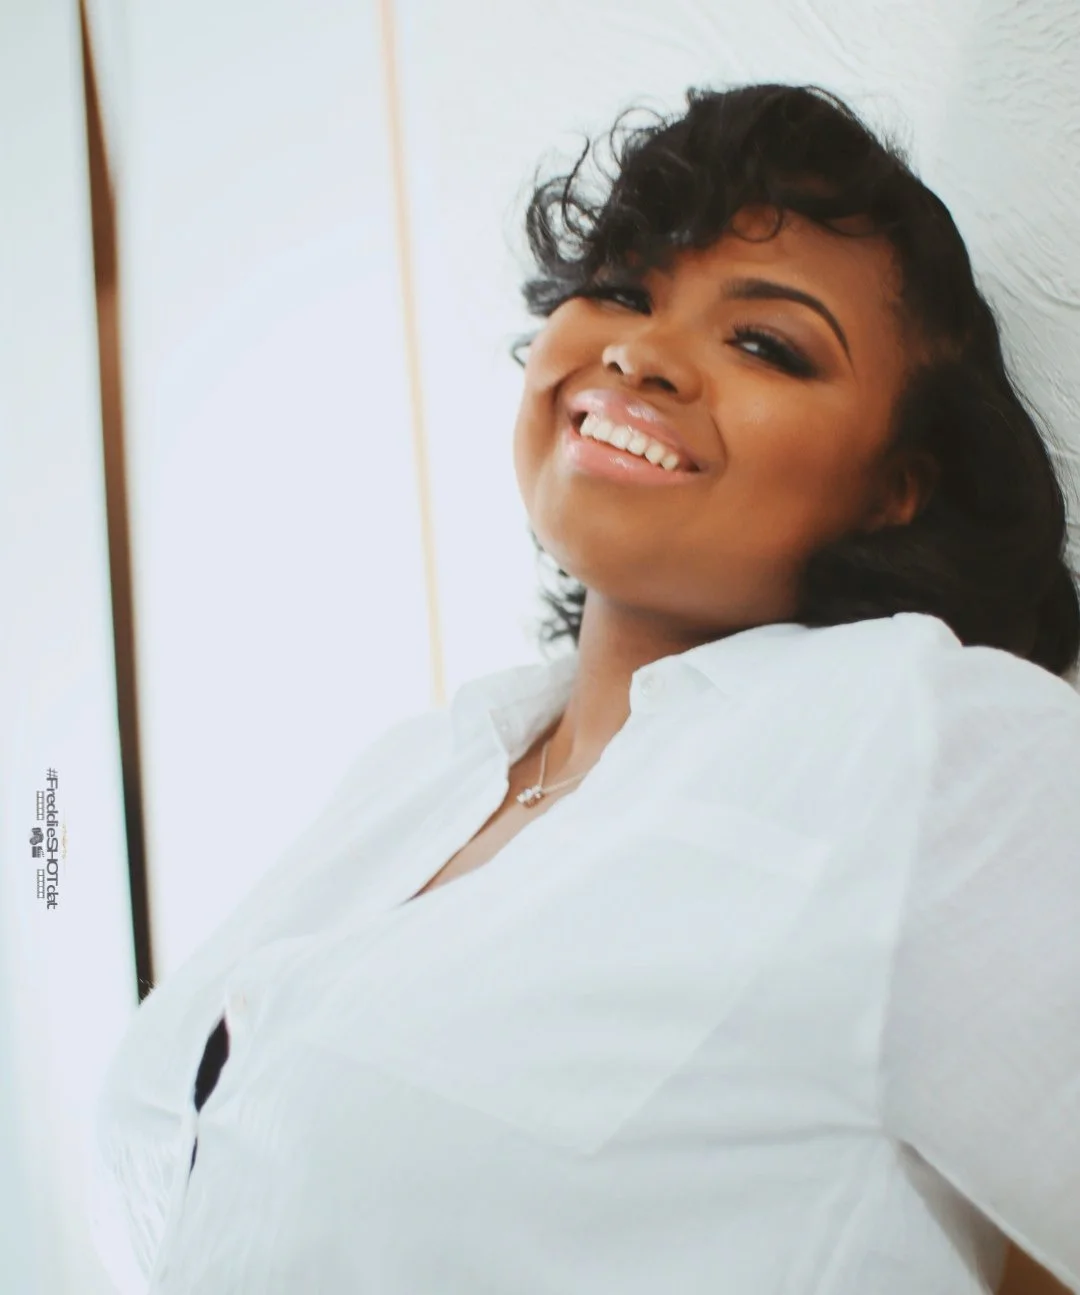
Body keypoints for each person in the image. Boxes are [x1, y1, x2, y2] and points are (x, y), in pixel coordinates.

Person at [89, 83, 1080, 1294]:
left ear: (896, 487)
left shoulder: (921, 745)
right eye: (623, 286)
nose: (643, 352)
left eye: (765, 342)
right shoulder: (423, 765)